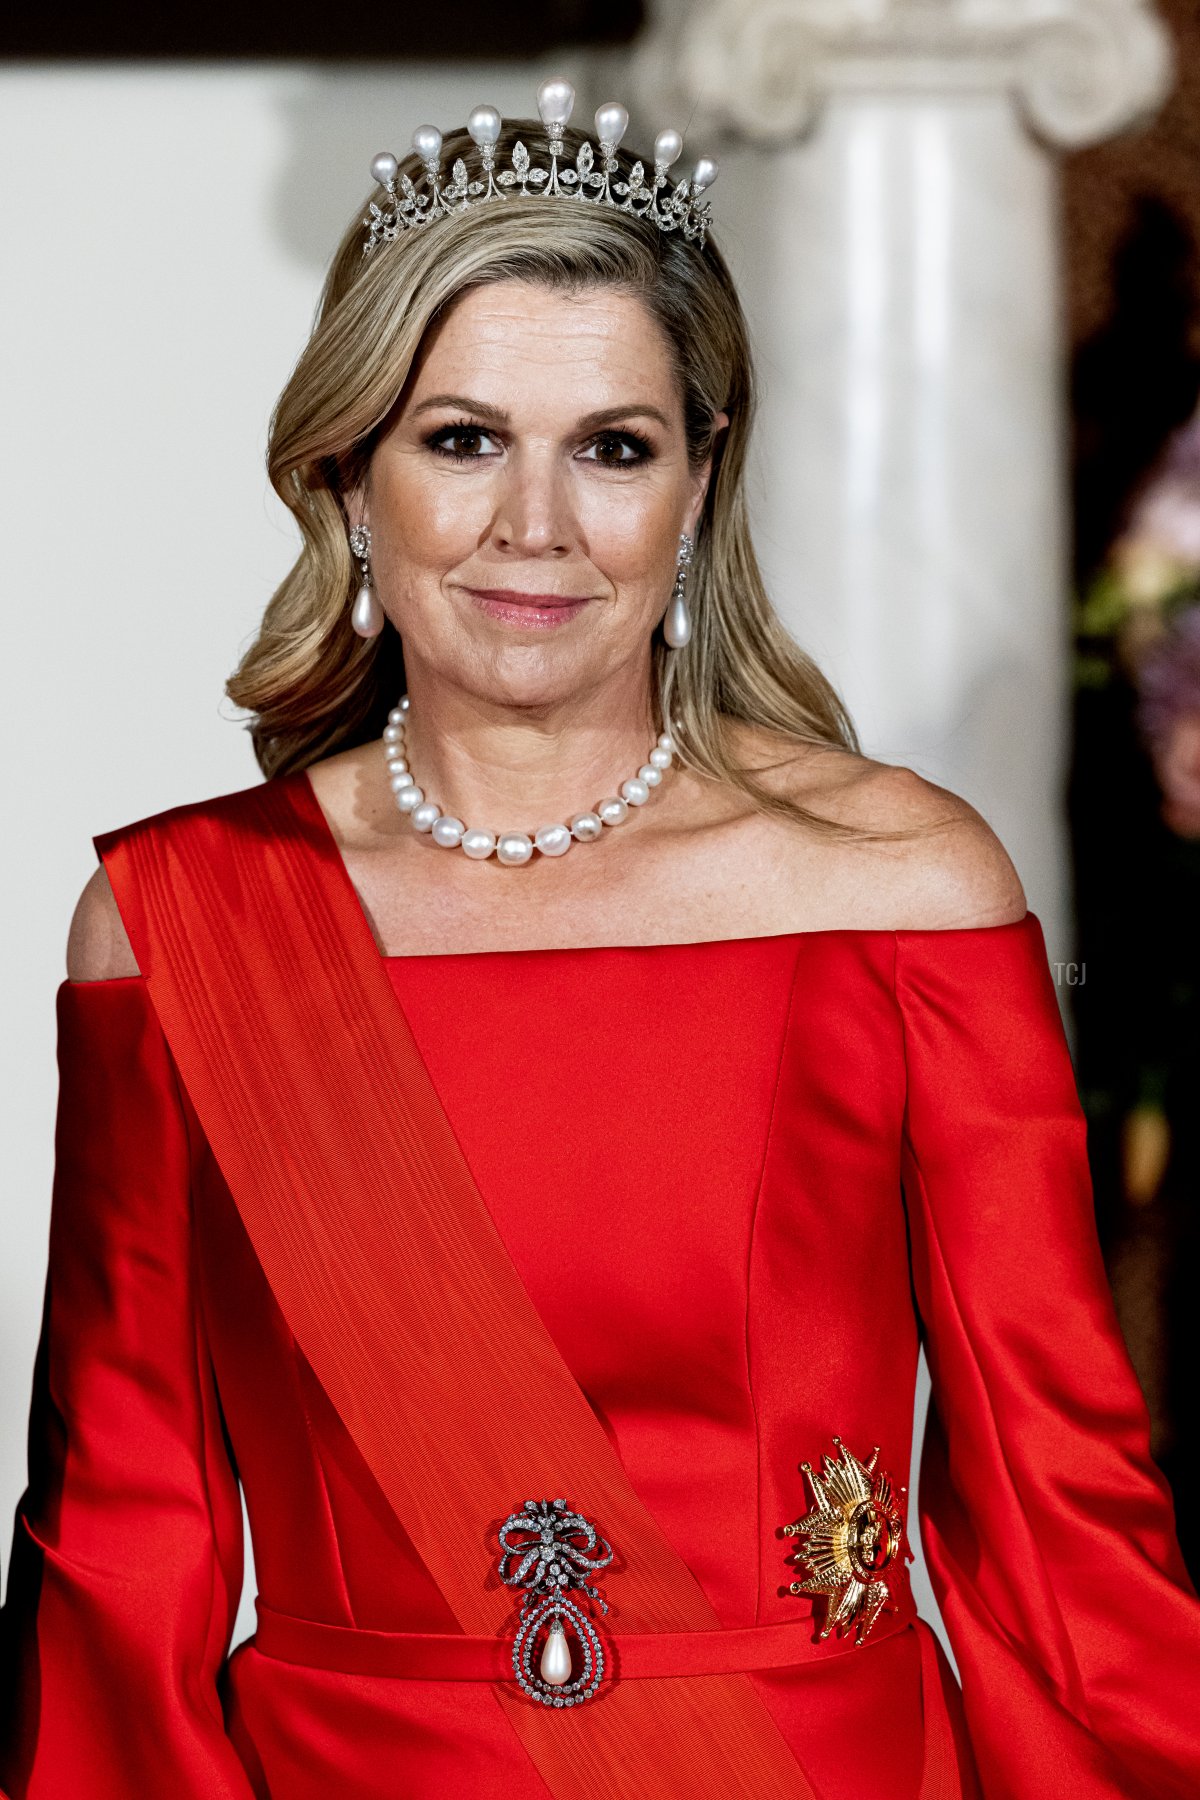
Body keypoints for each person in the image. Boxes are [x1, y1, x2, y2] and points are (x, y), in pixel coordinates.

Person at [2, 79, 1198, 1800]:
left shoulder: (900, 886)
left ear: (700, 482)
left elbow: (1060, 1510)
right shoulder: (181, 926)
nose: (537, 527)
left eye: (614, 447)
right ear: (349, 475)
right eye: (463, 437)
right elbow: (123, 1542)